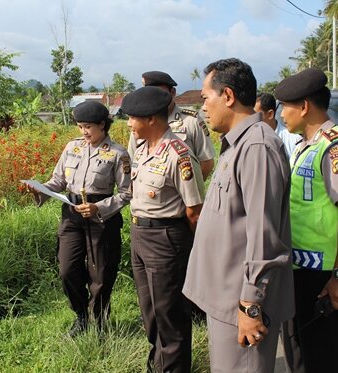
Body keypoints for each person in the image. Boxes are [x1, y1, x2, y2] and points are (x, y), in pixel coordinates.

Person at [182, 58, 294, 373]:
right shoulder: (237, 144)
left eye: (206, 98)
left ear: (228, 96)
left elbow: (264, 237)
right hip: (226, 297)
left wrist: (251, 305)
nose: (203, 107)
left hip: (241, 303)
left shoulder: (257, 147)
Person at [275, 68, 338, 373]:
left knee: (329, 359)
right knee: (303, 356)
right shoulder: (306, 147)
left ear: (303, 107)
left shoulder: (335, 149)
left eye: (284, 106)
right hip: (301, 270)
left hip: (325, 276)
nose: (280, 114)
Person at [27, 101, 131, 336]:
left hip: (101, 219)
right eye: (80, 127)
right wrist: (40, 189)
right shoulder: (72, 148)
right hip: (72, 216)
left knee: (101, 273)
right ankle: (81, 315)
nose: (83, 132)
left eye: (88, 127)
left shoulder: (118, 153)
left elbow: (127, 193)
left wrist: (99, 208)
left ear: (102, 125)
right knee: (68, 268)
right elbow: (58, 182)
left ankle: (100, 320)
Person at [123, 86, 205, 373]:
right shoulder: (143, 149)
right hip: (139, 235)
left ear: (150, 120)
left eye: (132, 119)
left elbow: (194, 210)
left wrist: (193, 251)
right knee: (150, 312)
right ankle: (158, 364)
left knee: (170, 314)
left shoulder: (179, 155)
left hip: (166, 239)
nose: (129, 124)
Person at [127, 70, 216, 179]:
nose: (155, 100)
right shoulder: (139, 122)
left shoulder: (191, 121)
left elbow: (206, 162)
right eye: (150, 95)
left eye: (160, 94)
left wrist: (189, 188)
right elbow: (132, 160)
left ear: (172, 92)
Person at [254, 92, 302, 158]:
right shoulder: (250, 141)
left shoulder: (294, 141)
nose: (252, 120)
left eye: (256, 116)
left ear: (270, 114)